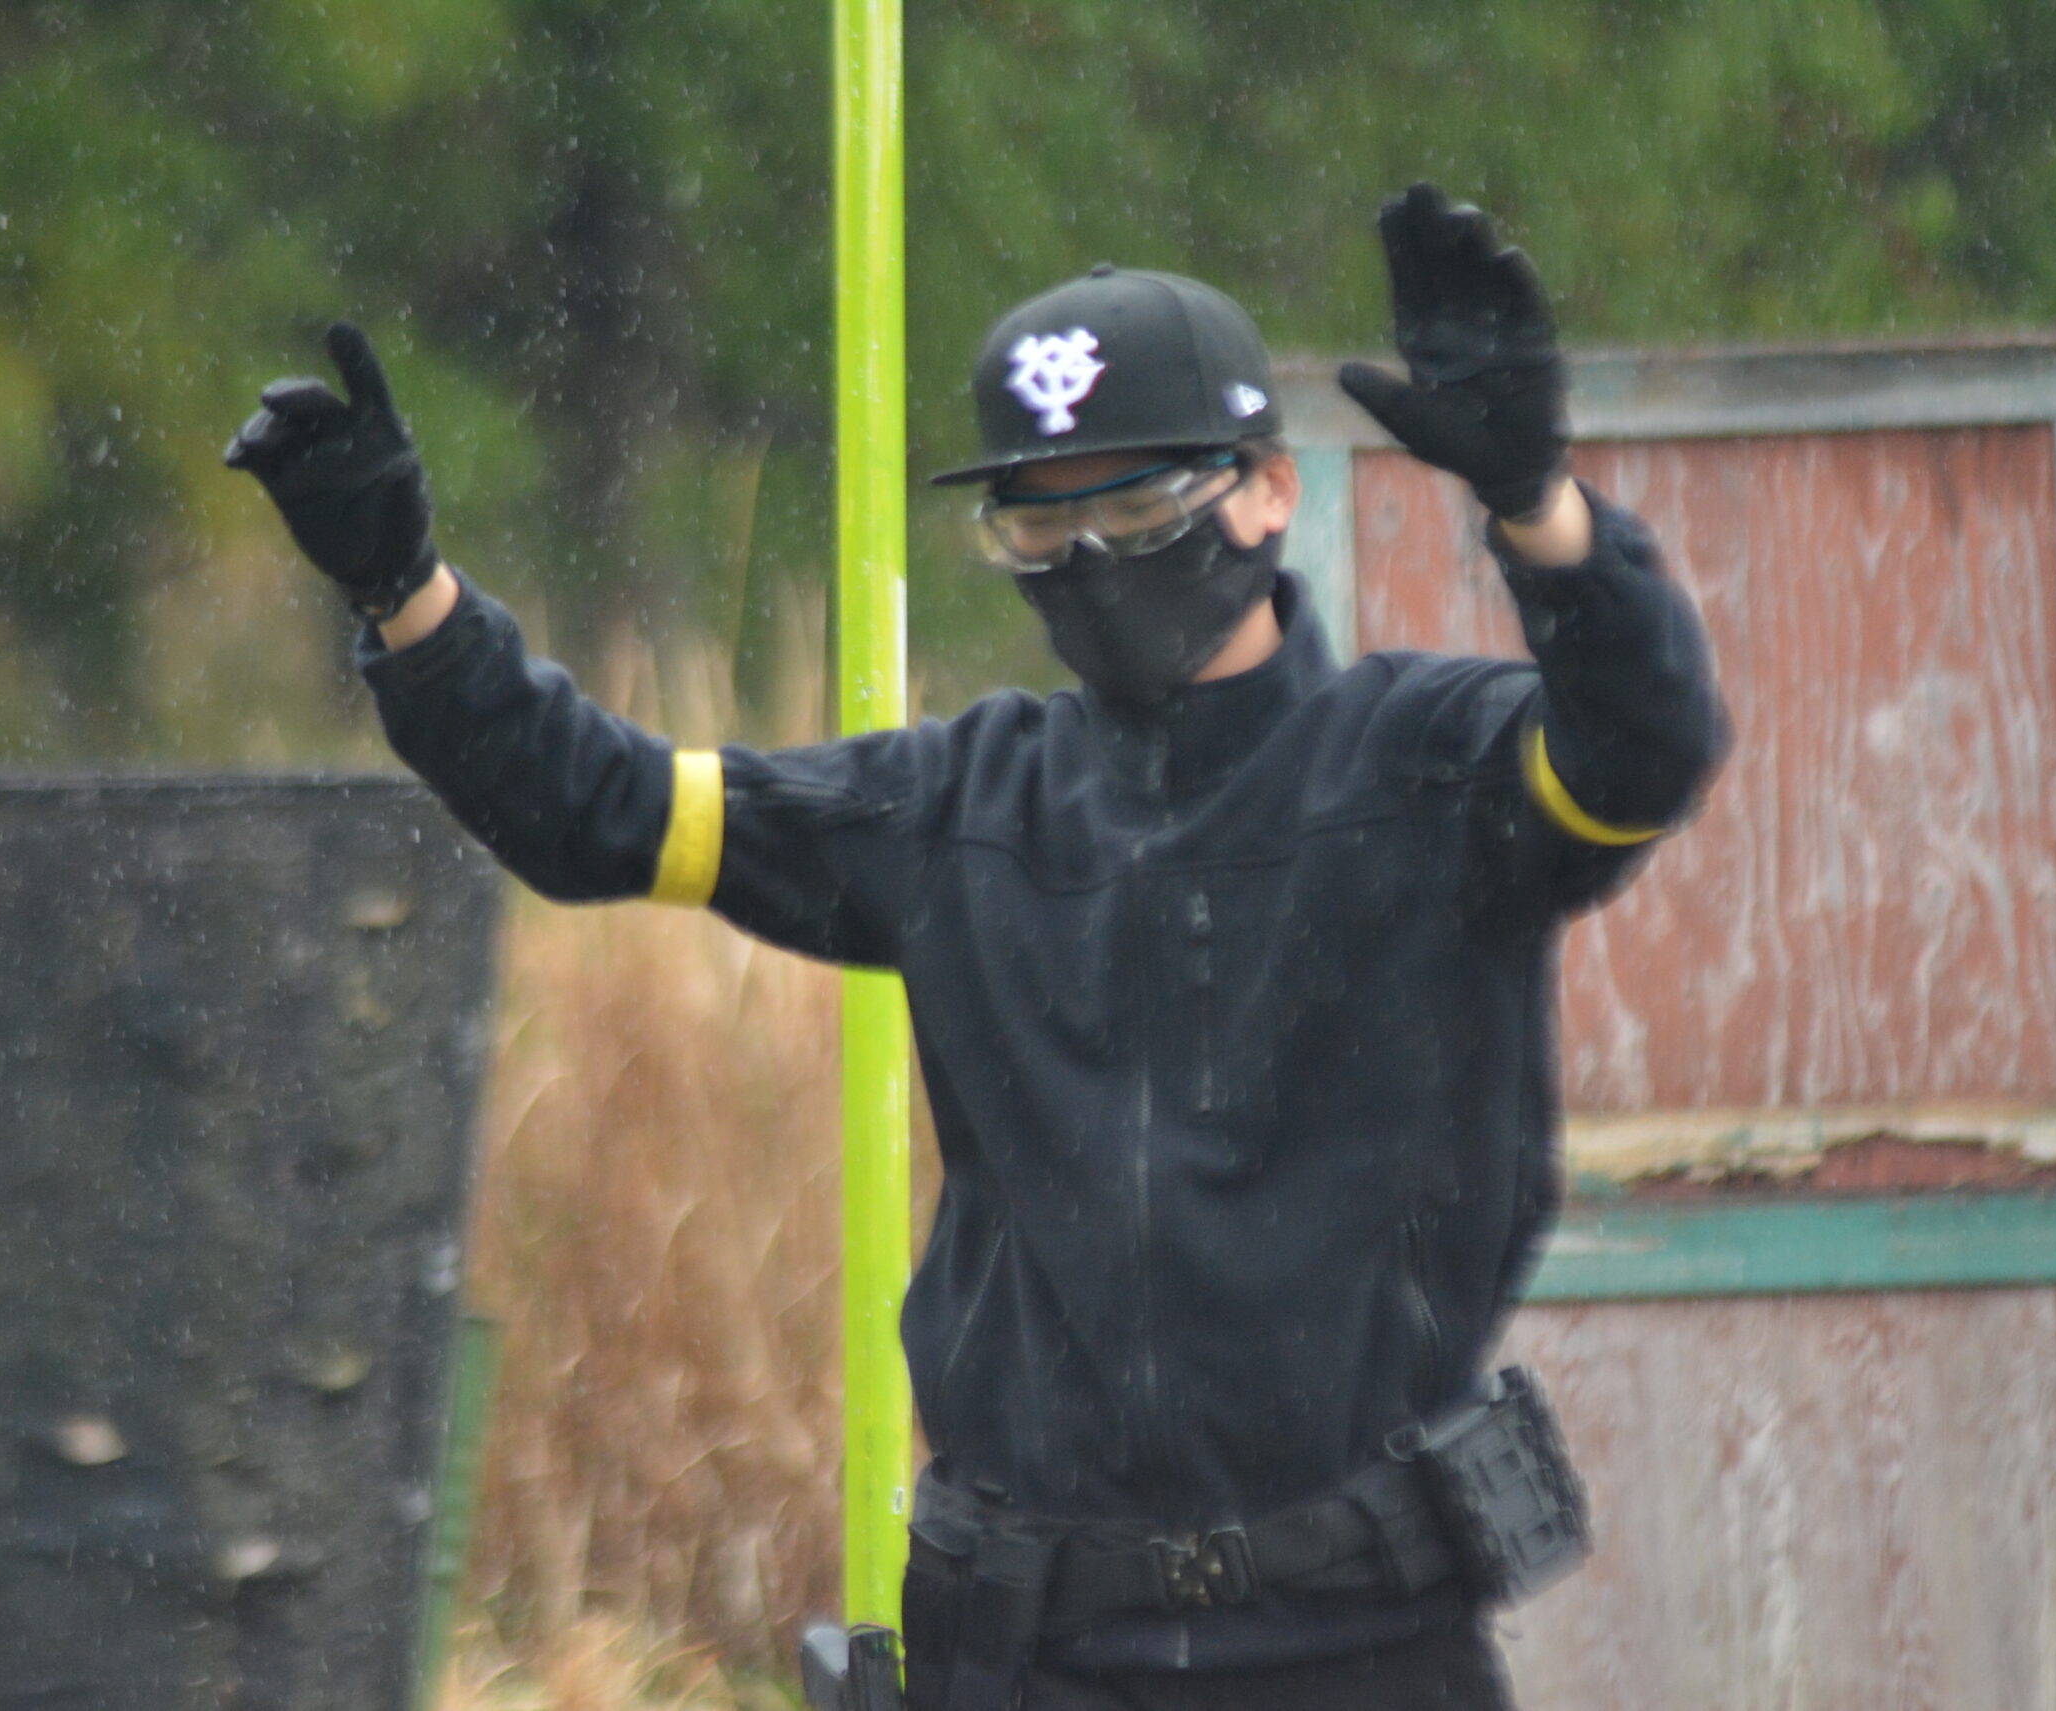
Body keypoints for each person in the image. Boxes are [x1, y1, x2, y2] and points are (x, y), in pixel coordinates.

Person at [227, 183, 1728, 1710]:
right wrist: (406, 598)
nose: (1091, 560)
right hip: (1032, 1656)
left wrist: (1541, 514)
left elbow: (1645, 745)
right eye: (1040, 523)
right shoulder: (956, 807)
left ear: (1268, 490)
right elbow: (595, 812)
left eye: (1138, 511)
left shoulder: (1433, 770)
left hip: (1360, 1650)